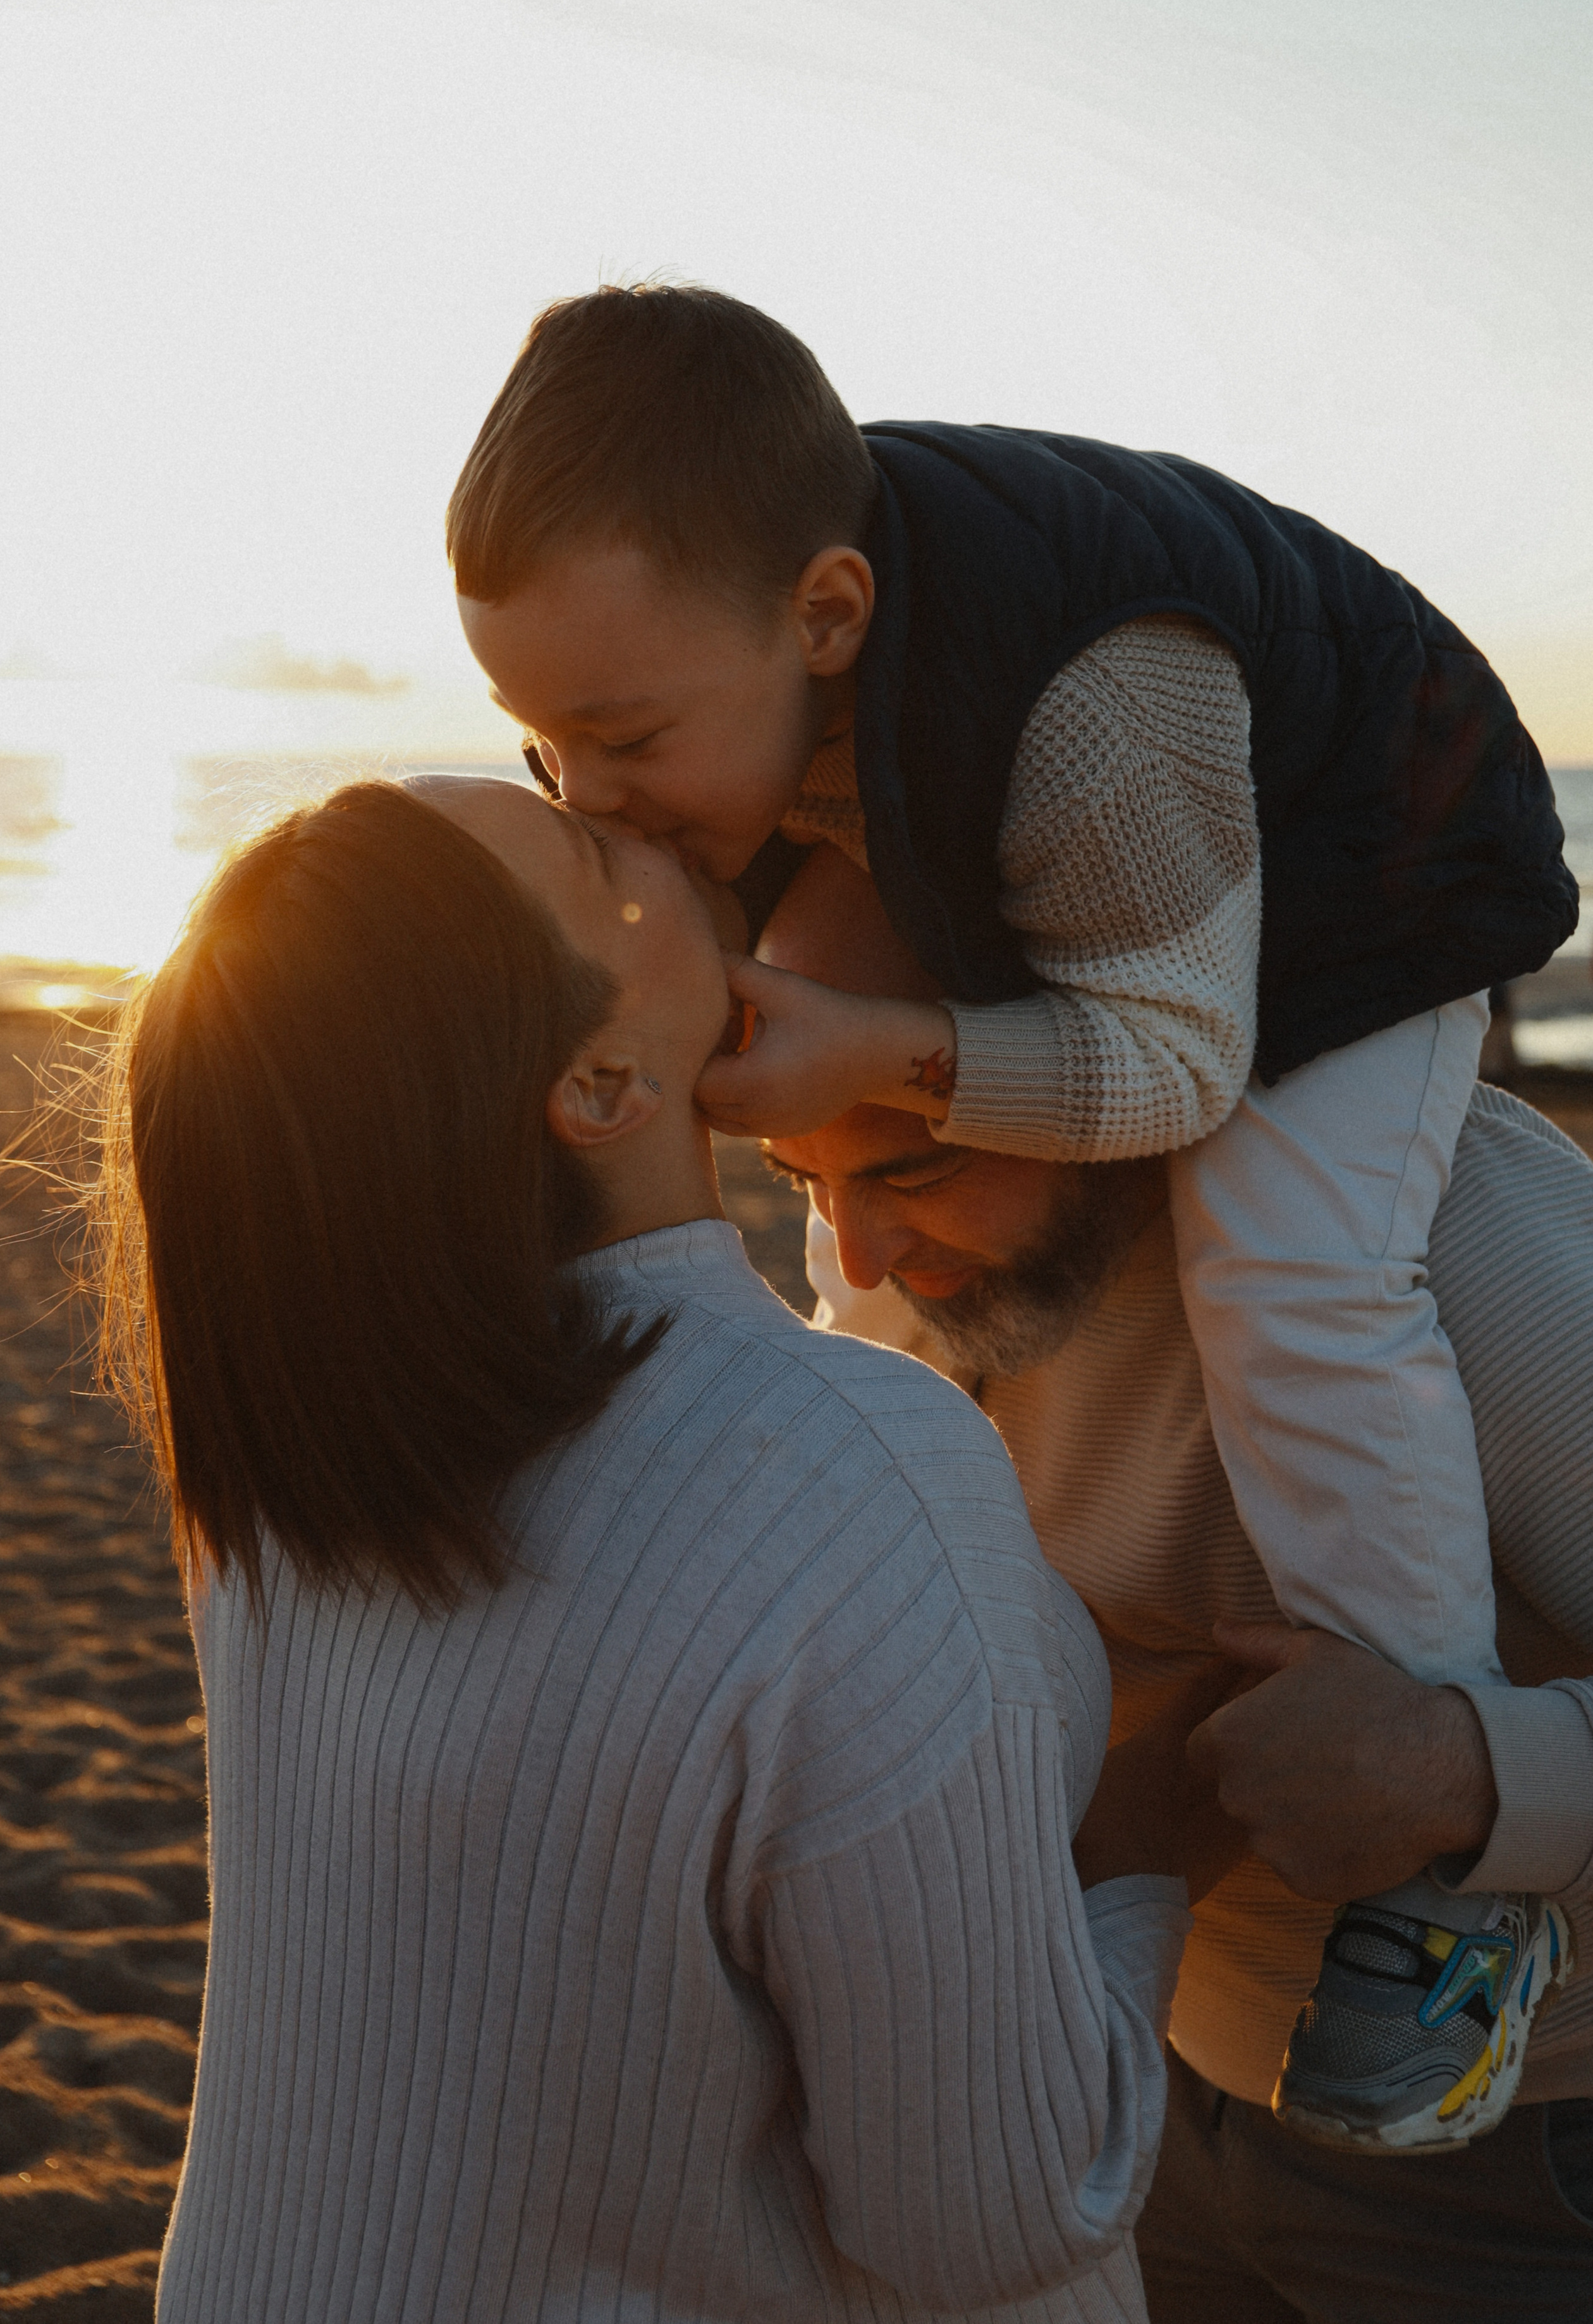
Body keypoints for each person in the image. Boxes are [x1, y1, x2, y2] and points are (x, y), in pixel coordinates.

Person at [443, 281, 1579, 2150]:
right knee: (863, 1331)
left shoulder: (1086, 714)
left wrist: (1474, 1772)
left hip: (1374, 887)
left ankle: (1439, 1912)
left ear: (824, 614)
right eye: (542, 742)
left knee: (1302, 1274)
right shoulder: (792, 724)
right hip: (1166, 2097)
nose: (591, 796)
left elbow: (1179, 1064)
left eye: (624, 737)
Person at [95, 773, 1231, 2324]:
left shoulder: (300, 1451)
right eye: (587, 847)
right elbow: (1001, 2213)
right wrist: (1140, 1850)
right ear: (605, 1081)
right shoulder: (849, 1467)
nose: (637, 812)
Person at [755, 844, 1593, 2321]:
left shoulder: (1462, 1250)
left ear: (1104, 1071)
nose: (864, 1248)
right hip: (1151, 2101)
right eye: (806, 1182)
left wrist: (1468, 1768)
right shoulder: (908, 1288)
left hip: (1517, 2164)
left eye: (917, 1165)